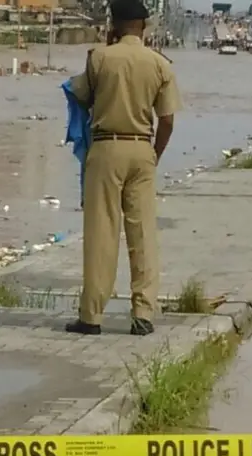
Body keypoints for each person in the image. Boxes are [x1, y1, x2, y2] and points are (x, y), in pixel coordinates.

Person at [66, 0, 182, 336]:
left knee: (102, 233)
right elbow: (168, 120)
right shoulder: (160, 64)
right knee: (143, 232)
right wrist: (154, 155)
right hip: (142, 149)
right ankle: (143, 315)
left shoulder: (100, 58)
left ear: (114, 25)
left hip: (106, 147)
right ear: (144, 27)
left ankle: (91, 317)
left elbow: (80, 95)